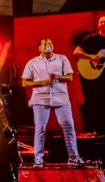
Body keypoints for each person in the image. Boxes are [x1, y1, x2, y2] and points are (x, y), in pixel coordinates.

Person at [21, 38, 86, 167]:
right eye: (45, 44)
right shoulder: (32, 63)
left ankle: (73, 158)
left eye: (50, 43)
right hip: (40, 98)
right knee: (40, 129)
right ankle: (38, 159)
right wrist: (43, 82)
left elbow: (70, 77)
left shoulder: (62, 59)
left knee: (68, 126)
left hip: (60, 97)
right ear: (39, 47)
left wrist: (56, 77)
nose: (48, 45)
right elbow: (24, 82)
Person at [73, 15, 105, 135]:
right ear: (98, 25)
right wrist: (92, 57)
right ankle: (98, 130)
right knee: (96, 104)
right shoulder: (92, 39)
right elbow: (76, 52)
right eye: (101, 21)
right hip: (95, 81)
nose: (103, 23)